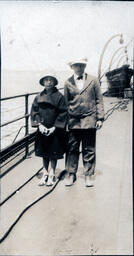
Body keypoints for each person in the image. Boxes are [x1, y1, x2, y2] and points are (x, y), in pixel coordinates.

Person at [64, 58, 104, 187]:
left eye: (82, 65)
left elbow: (99, 100)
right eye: (76, 65)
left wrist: (100, 118)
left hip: (89, 120)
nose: (79, 68)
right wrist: (65, 123)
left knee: (89, 148)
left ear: (85, 66)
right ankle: (71, 174)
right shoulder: (67, 83)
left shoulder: (93, 80)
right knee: (72, 148)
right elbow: (65, 103)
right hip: (73, 121)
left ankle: (88, 175)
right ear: (72, 67)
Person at [31, 73, 67, 186]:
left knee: (53, 152)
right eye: (46, 80)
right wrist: (39, 125)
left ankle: (52, 173)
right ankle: (45, 172)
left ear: (54, 82)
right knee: (44, 151)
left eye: (51, 80)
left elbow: (63, 113)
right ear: (43, 82)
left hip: (54, 129)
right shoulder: (38, 97)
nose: (49, 82)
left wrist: (55, 127)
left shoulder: (60, 97)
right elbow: (34, 112)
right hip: (42, 128)